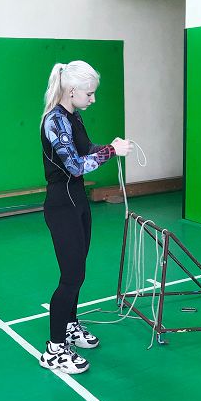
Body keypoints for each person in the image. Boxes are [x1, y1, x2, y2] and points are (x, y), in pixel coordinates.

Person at [38, 61, 132, 374]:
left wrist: (110, 147)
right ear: (72, 90)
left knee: (78, 271)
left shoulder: (74, 116)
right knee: (71, 276)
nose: (93, 99)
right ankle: (54, 350)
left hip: (77, 202)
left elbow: (86, 148)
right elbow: (76, 166)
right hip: (62, 205)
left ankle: (70, 325)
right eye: (89, 93)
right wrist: (111, 153)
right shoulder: (54, 121)